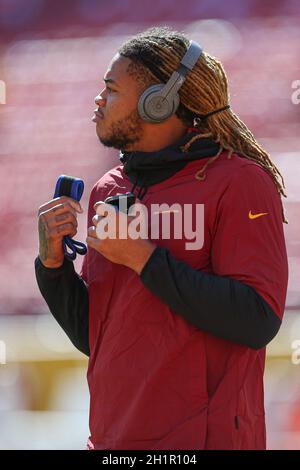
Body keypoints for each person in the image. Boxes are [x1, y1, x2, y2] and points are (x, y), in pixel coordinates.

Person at [35, 26, 288, 450]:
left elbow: (256, 319)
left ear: (160, 101)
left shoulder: (242, 182)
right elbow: (96, 338)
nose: (98, 100)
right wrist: (52, 265)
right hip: (113, 443)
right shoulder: (108, 189)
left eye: (112, 90)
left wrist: (144, 258)